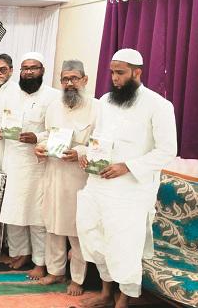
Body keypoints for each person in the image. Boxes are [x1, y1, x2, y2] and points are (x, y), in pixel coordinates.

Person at [76, 49, 177, 308]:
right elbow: (99, 138)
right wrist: (87, 153)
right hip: (99, 184)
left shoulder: (159, 105)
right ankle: (105, 292)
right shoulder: (106, 101)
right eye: (112, 72)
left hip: (131, 191)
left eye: (120, 72)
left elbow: (167, 151)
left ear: (137, 72)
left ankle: (124, 299)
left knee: (125, 245)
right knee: (95, 236)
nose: (114, 78)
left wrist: (128, 167)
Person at [0, 51, 60, 278]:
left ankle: (40, 261)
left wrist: (38, 138)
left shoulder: (53, 97)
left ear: (42, 71)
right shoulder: (8, 93)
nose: (29, 72)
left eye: (34, 68)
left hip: (37, 164)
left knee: (36, 215)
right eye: (25, 68)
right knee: (14, 212)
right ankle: (20, 253)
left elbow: (56, 131)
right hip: (12, 161)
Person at [34, 60, 98, 295]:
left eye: (74, 78)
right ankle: (55, 271)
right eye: (64, 79)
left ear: (84, 80)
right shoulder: (54, 107)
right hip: (53, 173)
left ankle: (78, 279)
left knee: (76, 229)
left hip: (78, 178)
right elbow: (48, 134)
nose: (69, 83)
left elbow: (100, 144)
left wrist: (80, 152)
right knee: (52, 226)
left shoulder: (97, 108)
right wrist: (39, 146)